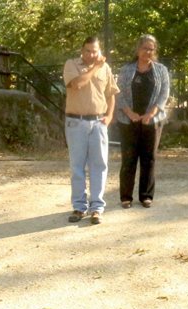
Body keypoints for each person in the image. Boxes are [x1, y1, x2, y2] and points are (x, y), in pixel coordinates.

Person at [62, 36, 119, 225]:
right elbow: (77, 84)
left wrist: (109, 116)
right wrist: (94, 67)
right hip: (76, 123)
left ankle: (97, 208)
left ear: (99, 50)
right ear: (82, 50)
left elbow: (111, 94)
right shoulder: (71, 65)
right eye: (88, 50)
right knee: (77, 166)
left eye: (95, 51)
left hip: (98, 123)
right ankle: (79, 207)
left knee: (99, 166)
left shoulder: (106, 68)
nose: (91, 54)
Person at [115, 34, 171, 209]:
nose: (148, 52)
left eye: (151, 49)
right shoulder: (126, 70)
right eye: (145, 48)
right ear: (138, 49)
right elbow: (118, 93)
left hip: (152, 120)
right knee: (129, 158)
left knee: (149, 158)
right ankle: (126, 197)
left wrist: (151, 113)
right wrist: (130, 113)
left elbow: (164, 93)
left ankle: (146, 196)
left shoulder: (161, 70)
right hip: (128, 120)